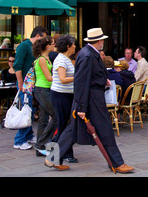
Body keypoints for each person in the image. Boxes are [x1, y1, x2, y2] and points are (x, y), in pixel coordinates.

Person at [45, 27, 133, 173]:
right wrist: (81, 107)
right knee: (104, 129)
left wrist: (102, 79)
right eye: (103, 39)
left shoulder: (89, 53)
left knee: (72, 130)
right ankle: (117, 163)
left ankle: (52, 159)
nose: (104, 41)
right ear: (99, 41)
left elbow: (89, 77)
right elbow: (81, 82)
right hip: (91, 99)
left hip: (90, 98)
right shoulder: (88, 55)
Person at [13, 26, 49, 150]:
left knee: (30, 111)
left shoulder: (35, 48)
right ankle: (19, 140)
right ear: (38, 36)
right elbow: (17, 65)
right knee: (25, 110)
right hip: (26, 84)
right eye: (44, 37)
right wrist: (20, 83)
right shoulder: (23, 46)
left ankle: (28, 135)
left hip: (33, 84)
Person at [50, 34, 76, 163]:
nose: (75, 46)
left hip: (66, 95)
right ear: (68, 46)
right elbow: (63, 79)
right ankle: (61, 153)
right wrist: (78, 76)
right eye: (73, 44)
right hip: (61, 95)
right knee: (63, 124)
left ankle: (64, 152)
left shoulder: (66, 59)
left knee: (66, 124)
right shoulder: (61, 60)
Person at [33, 36, 57, 156]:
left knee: (43, 120)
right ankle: (40, 144)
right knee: (56, 116)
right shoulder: (42, 59)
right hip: (42, 90)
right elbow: (48, 77)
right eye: (53, 44)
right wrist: (62, 78)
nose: (54, 45)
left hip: (44, 89)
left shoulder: (46, 57)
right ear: (47, 46)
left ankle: (40, 147)